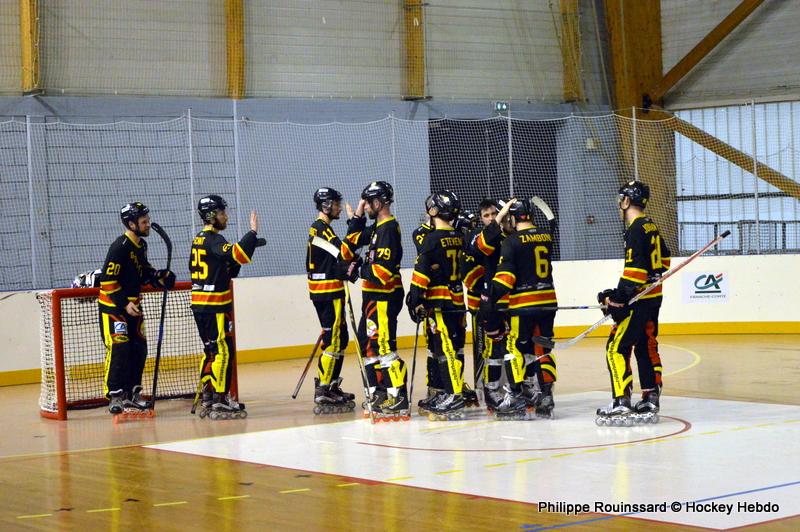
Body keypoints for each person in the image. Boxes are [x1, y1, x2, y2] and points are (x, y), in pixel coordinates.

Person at [596, 181, 671, 426]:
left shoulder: (636, 228)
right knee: (645, 347)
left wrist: (617, 298)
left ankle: (621, 402)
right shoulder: (651, 225)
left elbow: (636, 272)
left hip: (638, 302)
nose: (619, 204)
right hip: (653, 298)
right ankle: (650, 398)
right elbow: (665, 261)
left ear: (626, 201)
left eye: (620, 200)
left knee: (616, 348)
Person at [484, 198, 558, 419]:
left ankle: (516, 396)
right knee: (543, 348)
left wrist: (490, 297)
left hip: (523, 304)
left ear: (514, 218)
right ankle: (546, 396)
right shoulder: (546, 236)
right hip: (548, 302)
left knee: (513, 348)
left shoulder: (511, 241)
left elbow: (506, 277)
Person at [98, 202, 175, 415]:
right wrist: (124, 303)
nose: (148, 224)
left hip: (135, 308)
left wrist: (160, 277)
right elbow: (107, 280)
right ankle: (115, 395)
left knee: (139, 349)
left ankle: (133, 393)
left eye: (148, 220)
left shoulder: (141, 245)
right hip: (114, 309)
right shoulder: (120, 247)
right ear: (131, 224)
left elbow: (143, 272)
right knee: (119, 348)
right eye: (143, 221)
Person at [190, 195, 261, 420]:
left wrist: (232, 262)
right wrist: (252, 234)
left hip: (200, 306)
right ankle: (220, 399)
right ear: (212, 216)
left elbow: (224, 267)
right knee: (222, 351)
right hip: (214, 306)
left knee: (210, 350)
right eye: (222, 213)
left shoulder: (198, 240)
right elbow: (239, 254)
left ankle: (208, 395)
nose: (226, 216)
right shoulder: (214, 239)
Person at [342, 181, 408, 420]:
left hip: (384, 297)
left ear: (378, 203)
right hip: (372, 297)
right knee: (367, 344)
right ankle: (378, 393)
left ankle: (397, 397)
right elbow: (348, 246)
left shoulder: (388, 229)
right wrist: (357, 215)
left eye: (368, 203)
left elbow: (383, 272)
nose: (366, 206)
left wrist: (357, 270)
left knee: (384, 347)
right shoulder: (376, 228)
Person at [406, 190, 468, 421]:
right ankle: (444, 392)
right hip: (457, 299)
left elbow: (421, 274)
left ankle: (454, 394)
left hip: (440, 302)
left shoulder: (431, 239)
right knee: (450, 348)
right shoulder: (459, 236)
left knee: (444, 350)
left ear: (433, 211)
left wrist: (415, 300)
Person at [306, 187, 356, 414]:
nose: (338, 207)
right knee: (333, 341)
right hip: (327, 292)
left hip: (329, 291)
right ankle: (323, 388)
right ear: (326, 205)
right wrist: (354, 224)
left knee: (340, 338)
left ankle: (332, 384)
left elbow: (336, 258)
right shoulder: (320, 229)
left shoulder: (322, 229)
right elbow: (343, 252)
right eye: (335, 204)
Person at [468, 198, 513, 412]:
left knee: (514, 347)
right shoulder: (479, 236)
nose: (491, 218)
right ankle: (491, 391)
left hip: (513, 299)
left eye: (494, 213)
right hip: (491, 302)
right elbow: (480, 248)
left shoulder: (510, 234)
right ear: (481, 219)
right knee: (493, 349)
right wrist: (499, 221)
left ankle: (516, 389)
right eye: (486, 216)